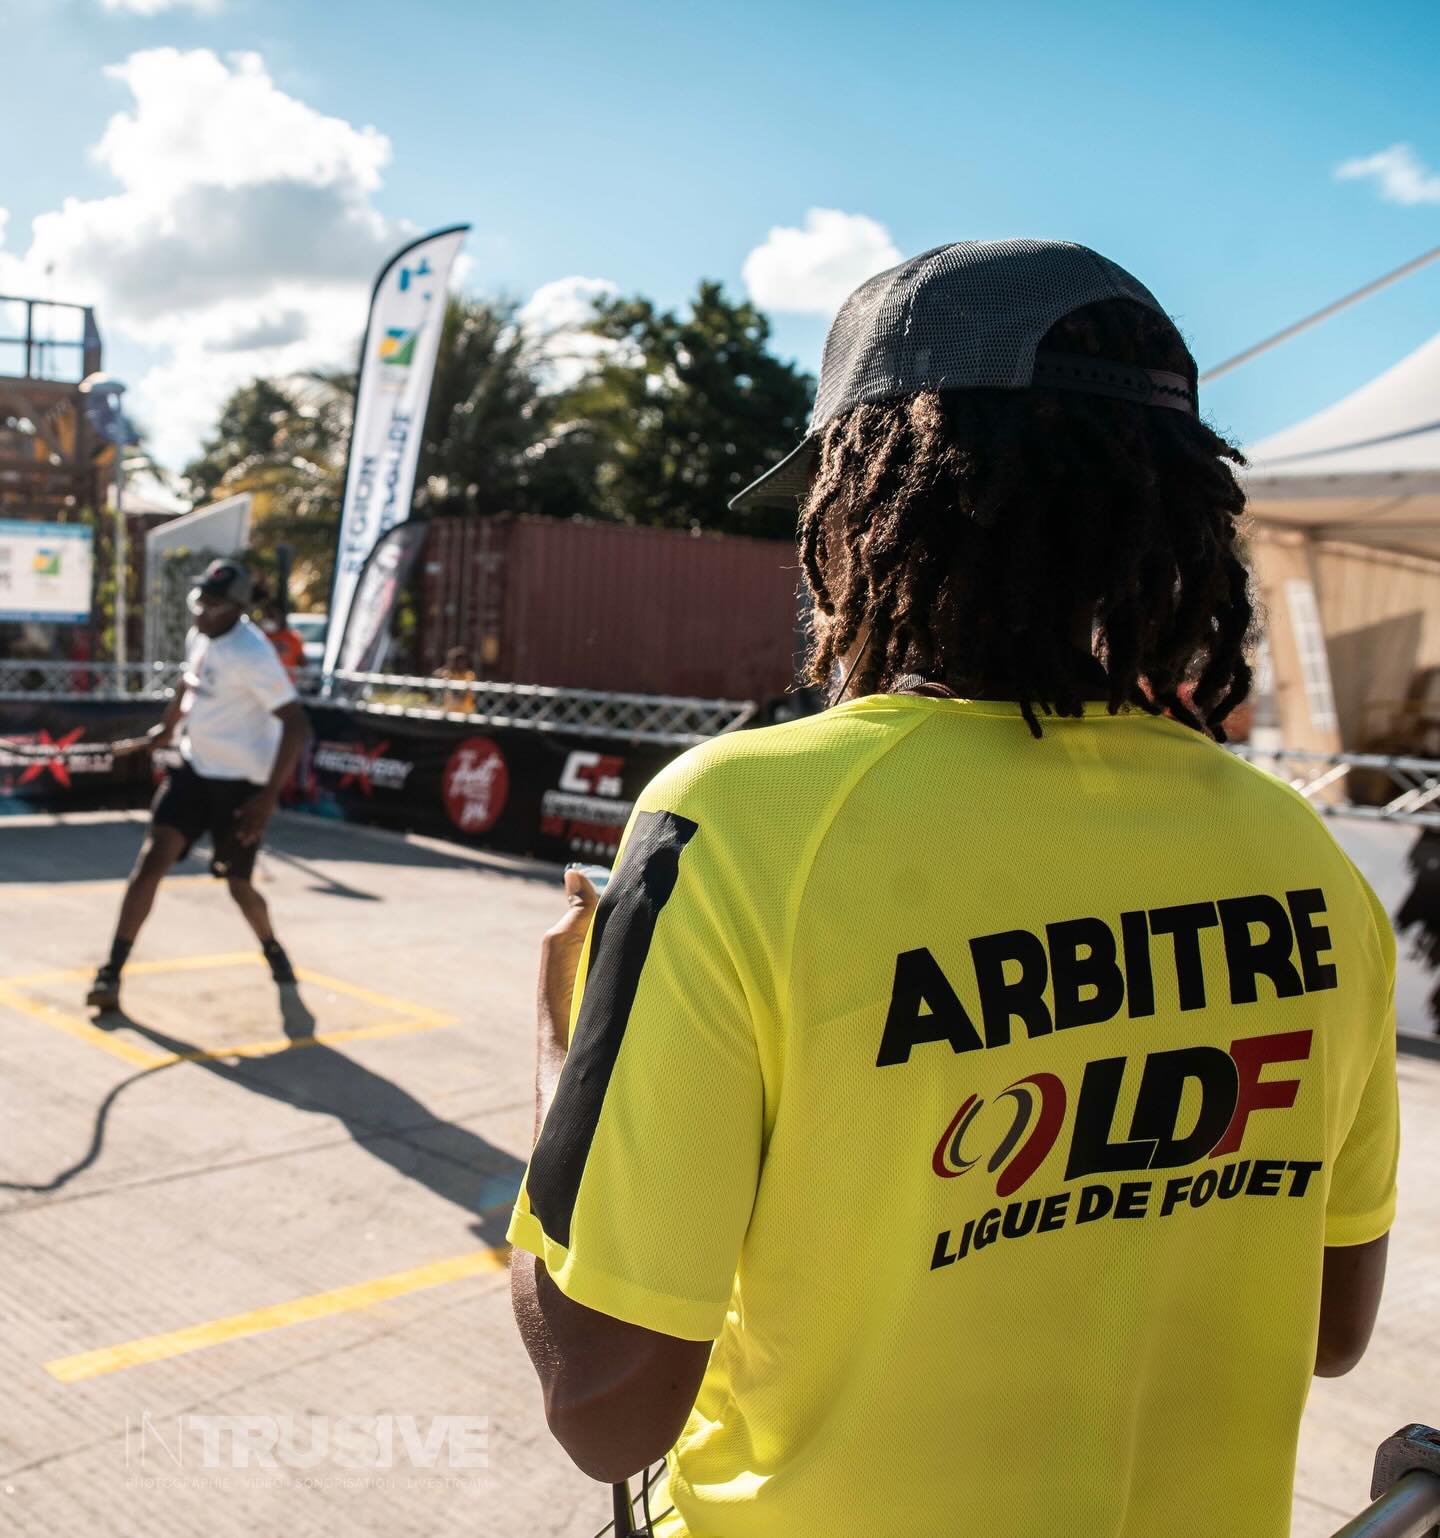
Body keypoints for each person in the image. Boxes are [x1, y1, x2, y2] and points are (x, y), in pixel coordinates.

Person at [507, 242, 1399, 1538]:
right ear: (1163, 505)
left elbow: (604, 1403)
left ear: (872, 506)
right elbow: (1329, 1321)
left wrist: (553, 1041)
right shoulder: (1299, 854)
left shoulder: (743, 820)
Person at [86, 559, 312, 1011]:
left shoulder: (253, 655)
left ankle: (272, 948)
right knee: (152, 861)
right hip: (196, 772)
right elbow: (188, 683)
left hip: (243, 787)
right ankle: (111, 973)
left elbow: (296, 725)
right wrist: (167, 730)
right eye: (200, 600)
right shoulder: (201, 637)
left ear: (237, 608)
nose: (201, 611)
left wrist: (265, 801)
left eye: (213, 604)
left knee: (238, 885)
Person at [436, 645, 477, 713]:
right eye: (457, 661)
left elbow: (464, 692)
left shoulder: (469, 674)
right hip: (449, 710)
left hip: (465, 710)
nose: (461, 663)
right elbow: (436, 674)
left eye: (463, 661)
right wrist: (447, 666)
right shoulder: (449, 673)